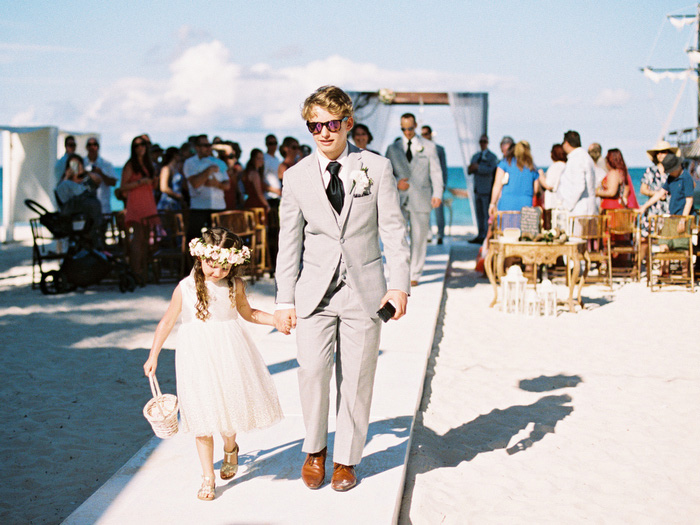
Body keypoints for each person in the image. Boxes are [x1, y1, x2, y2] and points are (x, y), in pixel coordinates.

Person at [273, 85, 410, 492]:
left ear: (347, 123)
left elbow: (393, 231)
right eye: (315, 126)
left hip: (365, 291)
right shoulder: (295, 177)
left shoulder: (378, 168)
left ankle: (346, 459)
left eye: (332, 124)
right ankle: (315, 450)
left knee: (356, 377)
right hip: (313, 291)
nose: (324, 133)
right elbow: (289, 242)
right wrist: (283, 300)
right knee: (312, 371)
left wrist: (399, 285)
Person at [143, 228, 283, 501]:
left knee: (227, 409)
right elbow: (167, 321)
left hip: (229, 350)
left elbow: (248, 313)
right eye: (211, 264)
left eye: (223, 266)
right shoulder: (185, 287)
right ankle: (208, 478)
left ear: (233, 264)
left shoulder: (235, 285)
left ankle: (230, 448)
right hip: (195, 354)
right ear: (200, 258)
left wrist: (275, 320)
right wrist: (153, 355)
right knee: (201, 416)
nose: (216, 271)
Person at [385, 113, 443, 286]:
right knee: (398, 238)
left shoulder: (429, 146)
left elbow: (436, 172)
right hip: (400, 199)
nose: (407, 132)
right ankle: (400, 271)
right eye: (404, 129)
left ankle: (415, 274)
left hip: (421, 197)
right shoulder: (392, 148)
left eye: (410, 128)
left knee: (419, 238)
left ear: (416, 125)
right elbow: (386, 174)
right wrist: (396, 183)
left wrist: (437, 194)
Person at [120, 135, 158, 280]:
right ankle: (136, 271)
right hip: (136, 202)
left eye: (143, 144)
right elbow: (122, 187)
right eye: (136, 145)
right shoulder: (130, 165)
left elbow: (153, 186)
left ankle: (143, 270)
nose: (140, 147)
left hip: (148, 202)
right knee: (138, 237)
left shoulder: (149, 164)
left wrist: (153, 181)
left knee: (146, 239)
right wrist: (141, 182)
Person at [639, 153, 695, 251]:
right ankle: (663, 266)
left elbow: (689, 201)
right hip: (671, 216)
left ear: (677, 167)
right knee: (663, 244)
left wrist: (683, 220)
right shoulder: (671, 178)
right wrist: (645, 206)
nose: (668, 173)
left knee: (682, 248)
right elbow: (660, 193)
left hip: (683, 217)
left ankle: (686, 267)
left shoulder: (686, 178)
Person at [183, 134, 230, 240]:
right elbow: (195, 183)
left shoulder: (219, 162)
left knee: (220, 241)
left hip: (218, 206)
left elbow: (227, 185)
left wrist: (216, 184)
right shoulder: (190, 163)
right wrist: (209, 170)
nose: (209, 148)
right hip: (199, 207)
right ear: (197, 147)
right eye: (205, 145)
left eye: (209, 145)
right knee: (195, 241)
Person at [488, 140, 539, 214]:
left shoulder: (505, 163)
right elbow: (536, 190)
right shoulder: (532, 167)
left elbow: (497, 185)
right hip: (526, 204)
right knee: (523, 225)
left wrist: (492, 204)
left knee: (506, 225)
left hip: (506, 204)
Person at [556, 130, 597, 216]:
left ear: (566, 143)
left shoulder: (577, 158)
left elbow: (579, 186)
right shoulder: (584, 156)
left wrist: (568, 205)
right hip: (585, 207)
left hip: (579, 209)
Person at [467, 134, 498, 243]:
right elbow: (469, 170)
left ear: (487, 142)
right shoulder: (475, 156)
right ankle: (480, 235)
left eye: (484, 141)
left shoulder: (492, 157)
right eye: (481, 141)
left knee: (486, 214)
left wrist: (478, 167)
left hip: (486, 189)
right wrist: (473, 168)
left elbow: (491, 170)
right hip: (477, 189)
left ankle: (486, 235)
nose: (482, 144)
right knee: (479, 214)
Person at [421, 125, 449, 244]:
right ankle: (427, 234)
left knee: (439, 211)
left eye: (426, 134)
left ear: (431, 134)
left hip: (436, 184)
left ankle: (440, 234)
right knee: (424, 210)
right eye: (422, 134)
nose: (424, 136)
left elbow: (443, 168)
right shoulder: (420, 148)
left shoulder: (439, 149)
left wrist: (443, 185)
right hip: (424, 185)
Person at [83, 137, 117, 215]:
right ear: (86, 147)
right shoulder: (81, 163)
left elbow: (113, 183)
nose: (92, 147)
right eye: (89, 145)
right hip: (85, 208)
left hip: (103, 208)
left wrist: (100, 173)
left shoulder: (106, 164)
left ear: (98, 147)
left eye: (95, 144)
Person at [157, 147, 186, 211]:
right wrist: (177, 195)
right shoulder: (166, 169)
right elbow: (163, 188)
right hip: (167, 204)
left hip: (176, 204)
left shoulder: (177, 169)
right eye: (179, 154)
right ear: (174, 155)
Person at [242, 148, 270, 213]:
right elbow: (259, 193)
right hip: (256, 205)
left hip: (250, 204)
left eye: (262, 158)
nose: (261, 161)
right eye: (258, 158)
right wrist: (267, 205)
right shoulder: (254, 174)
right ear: (253, 159)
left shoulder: (248, 172)